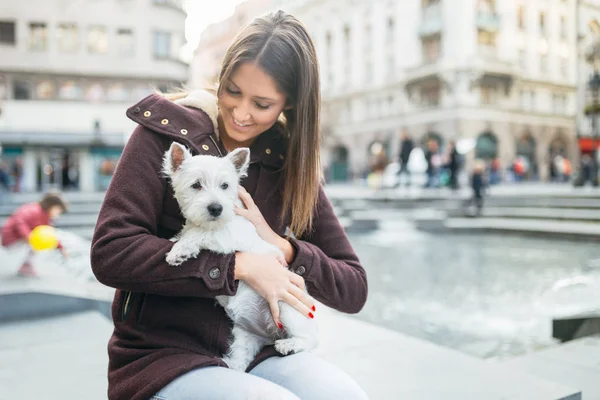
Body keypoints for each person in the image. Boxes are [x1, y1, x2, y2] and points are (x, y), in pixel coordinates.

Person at [91, 11, 368, 400]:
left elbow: (354, 287)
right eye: (232, 91)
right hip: (162, 354)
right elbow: (110, 252)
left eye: (262, 103)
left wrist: (279, 246)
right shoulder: (162, 133)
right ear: (221, 77)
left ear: (288, 105)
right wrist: (237, 266)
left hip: (256, 349)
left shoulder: (289, 163)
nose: (240, 113)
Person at [1, 192, 68, 277]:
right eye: (58, 210)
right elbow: (19, 221)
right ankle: (26, 265)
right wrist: (29, 237)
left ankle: (26, 265)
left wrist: (61, 248)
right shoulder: (34, 210)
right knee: (39, 239)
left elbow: (50, 235)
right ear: (52, 206)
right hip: (10, 237)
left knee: (41, 239)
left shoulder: (44, 216)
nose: (58, 214)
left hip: (16, 238)